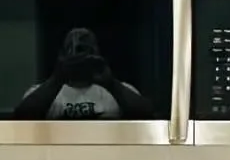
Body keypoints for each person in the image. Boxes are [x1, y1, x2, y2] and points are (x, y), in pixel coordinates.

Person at [13, 27, 153, 119]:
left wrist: (111, 84)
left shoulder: (119, 90)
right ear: (62, 56)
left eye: (86, 51)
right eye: (74, 51)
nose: (80, 58)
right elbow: (21, 118)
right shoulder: (42, 92)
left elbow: (147, 116)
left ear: (97, 54)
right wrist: (57, 79)